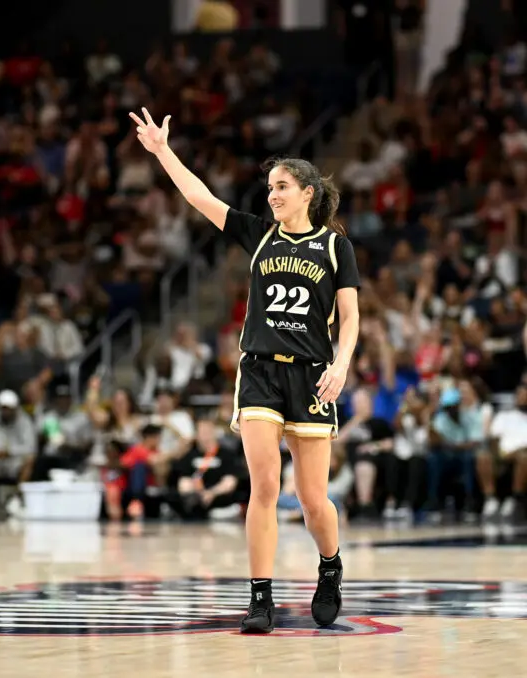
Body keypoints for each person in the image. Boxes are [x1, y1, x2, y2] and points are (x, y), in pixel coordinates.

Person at [130, 108, 361, 633]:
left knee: (312, 499)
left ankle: (330, 567)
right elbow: (199, 198)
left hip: (313, 375)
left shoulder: (334, 247)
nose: (272, 195)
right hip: (258, 371)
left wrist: (342, 364)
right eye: (270, 188)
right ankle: (261, 599)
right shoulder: (258, 235)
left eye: (282, 186)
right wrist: (162, 150)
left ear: (307, 193)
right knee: (263, 487)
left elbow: (350, 317)